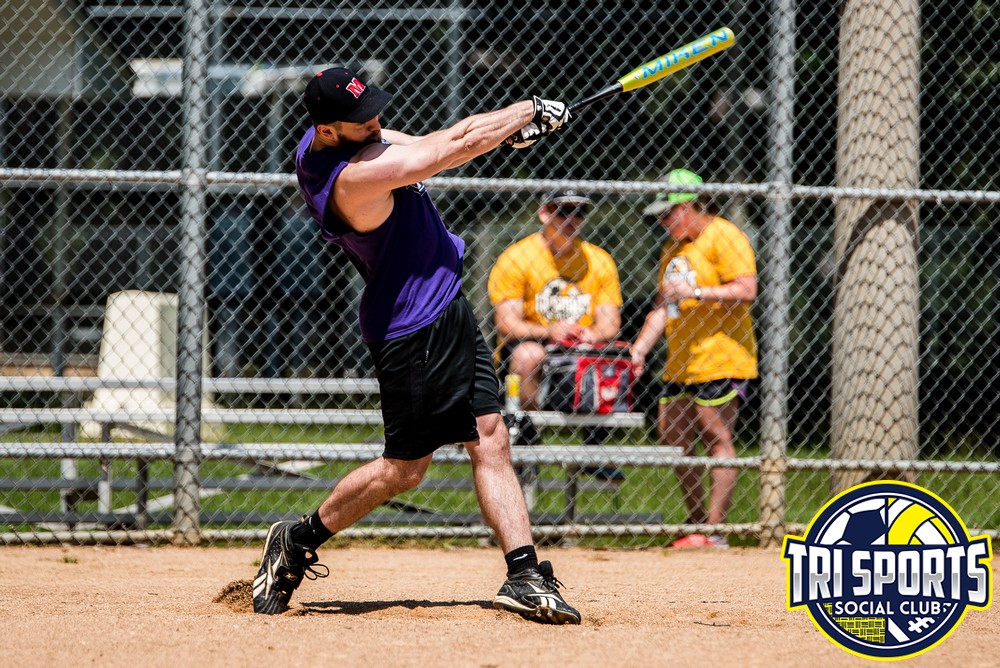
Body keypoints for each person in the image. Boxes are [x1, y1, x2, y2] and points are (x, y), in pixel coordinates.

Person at [251, 66, 580, 624]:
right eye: (360, 120)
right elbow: (444, 151)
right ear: (329, 132)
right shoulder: (349, 178)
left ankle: (524, 573)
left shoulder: (340, 136)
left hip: (446, 305)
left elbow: (436, 140)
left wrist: (505, 130)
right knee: (404, 470)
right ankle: (297, 539)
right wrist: (527, 110)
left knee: (491, 437)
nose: (374, 123)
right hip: (412, 327)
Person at [630, 168, 758, 549]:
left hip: (722, 357)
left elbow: (747, 289)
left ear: (689, 206)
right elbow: (662, 307)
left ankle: (715, 531)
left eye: (668, 214)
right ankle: (697, 525)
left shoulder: (725, 235)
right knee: (674, 436)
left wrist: (698, 291)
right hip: (680, 362)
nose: (664, 223)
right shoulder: (674, 249)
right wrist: (638, 350)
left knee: (716, 435)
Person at [487, 192, 624, 480]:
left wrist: (589, 333)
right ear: (544, 214)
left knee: (618, 354)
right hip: (532, 348)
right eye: (562, 211)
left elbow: (610, 325)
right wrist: (549, 331)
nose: (571, 219)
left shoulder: (599, 260)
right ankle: (528, 440)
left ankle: (594, 449)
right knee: (529, 355)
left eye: (578, 212)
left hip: (579, 352)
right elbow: (507, 324)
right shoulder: (518, 257)